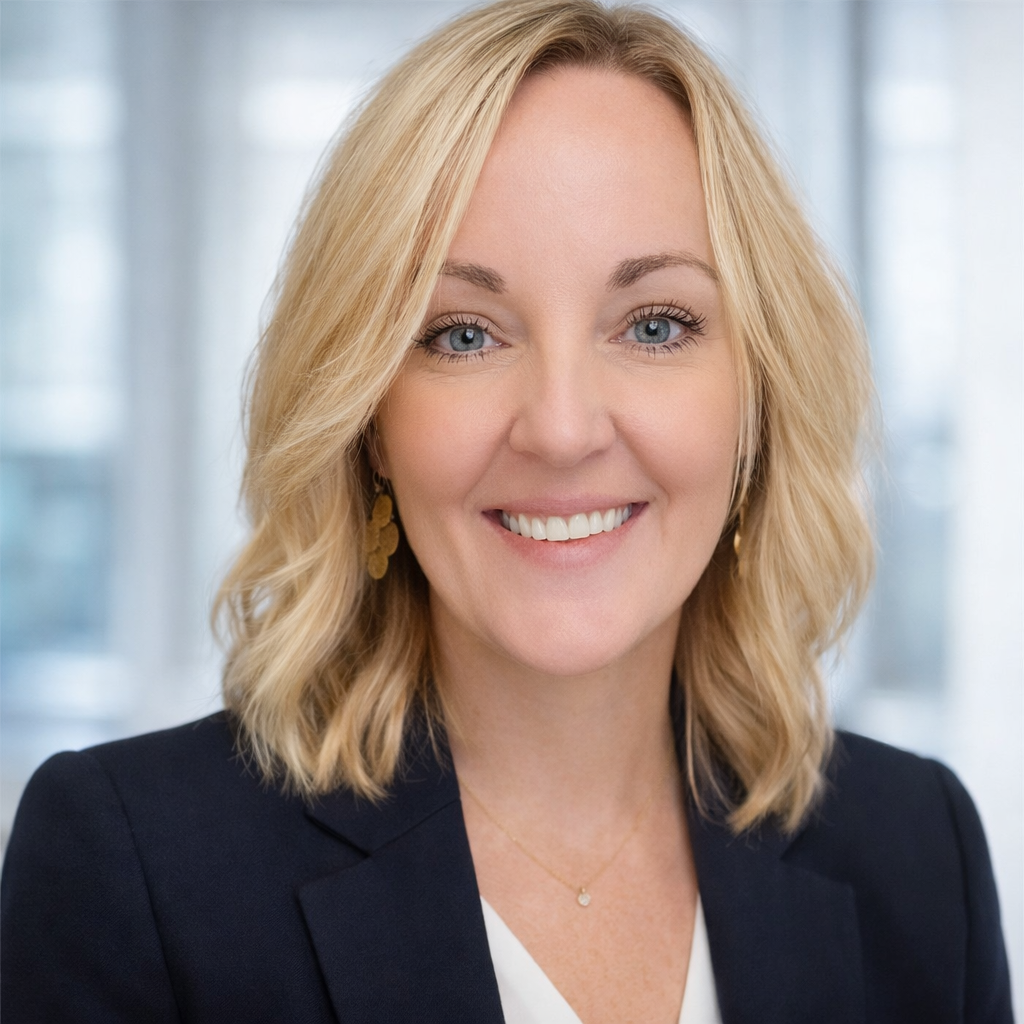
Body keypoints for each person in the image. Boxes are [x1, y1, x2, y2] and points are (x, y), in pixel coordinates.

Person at [1, 1, 1013, 1021]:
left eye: (655, 323)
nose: (562, 429)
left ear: (756, 401)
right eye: (463, 335)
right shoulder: (131, 867)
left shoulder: (917, 854)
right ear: (368, 423)